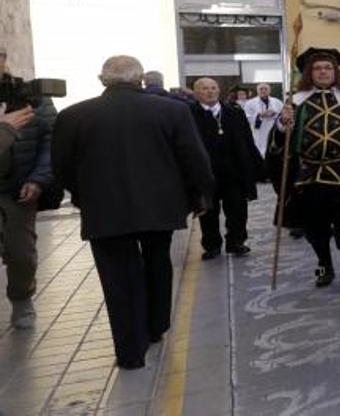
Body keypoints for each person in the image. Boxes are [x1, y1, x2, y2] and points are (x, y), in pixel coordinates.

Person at [51, 56, 214, 369]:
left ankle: (130, 351)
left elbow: (62, 168)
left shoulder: (74, 116)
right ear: (140, 78)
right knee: (157, 261)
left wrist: (85, 197)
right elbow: (194, 158)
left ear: (103, 80)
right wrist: (199, 197)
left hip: (105, 210)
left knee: (118, 279)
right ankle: (156, 326)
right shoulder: (172, 110)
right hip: (159, 206)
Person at [268, 47, 340, 294]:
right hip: (309, 177)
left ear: (336, 71)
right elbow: (278, 145)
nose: (323, 72)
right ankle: (323, 266)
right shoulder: (295, 103)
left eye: (328, 68)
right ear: (309, 73)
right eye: (317, 68)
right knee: (315, 229)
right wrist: (281, 124)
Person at [0, 46, 57, 329]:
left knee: (21, 253)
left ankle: (21, 299)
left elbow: (51, 140)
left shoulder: (30, 96)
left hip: (17, 190)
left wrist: (38, 178)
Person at [189, 77, 263, 260]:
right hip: (205, 173)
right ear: (197, 93)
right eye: (205, 89)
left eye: (213, 88)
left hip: (233, 172)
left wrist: (258, 167)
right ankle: (212, 245)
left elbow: (247, 140)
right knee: (208, 213)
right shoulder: (189, 114)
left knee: (238, 210)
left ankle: (236, 242)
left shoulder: (234, 112)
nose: (210, 91)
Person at [243, 83, 284, 157]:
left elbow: (281, 117)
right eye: (261, 89)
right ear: (257, 91)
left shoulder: (277, 102)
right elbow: (247, 118)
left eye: (266, 89)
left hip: (272, 133)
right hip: (258, 133)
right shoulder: (250, 103)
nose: (263, 91)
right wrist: (261, 115)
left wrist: (275, 114)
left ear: (269, 91)